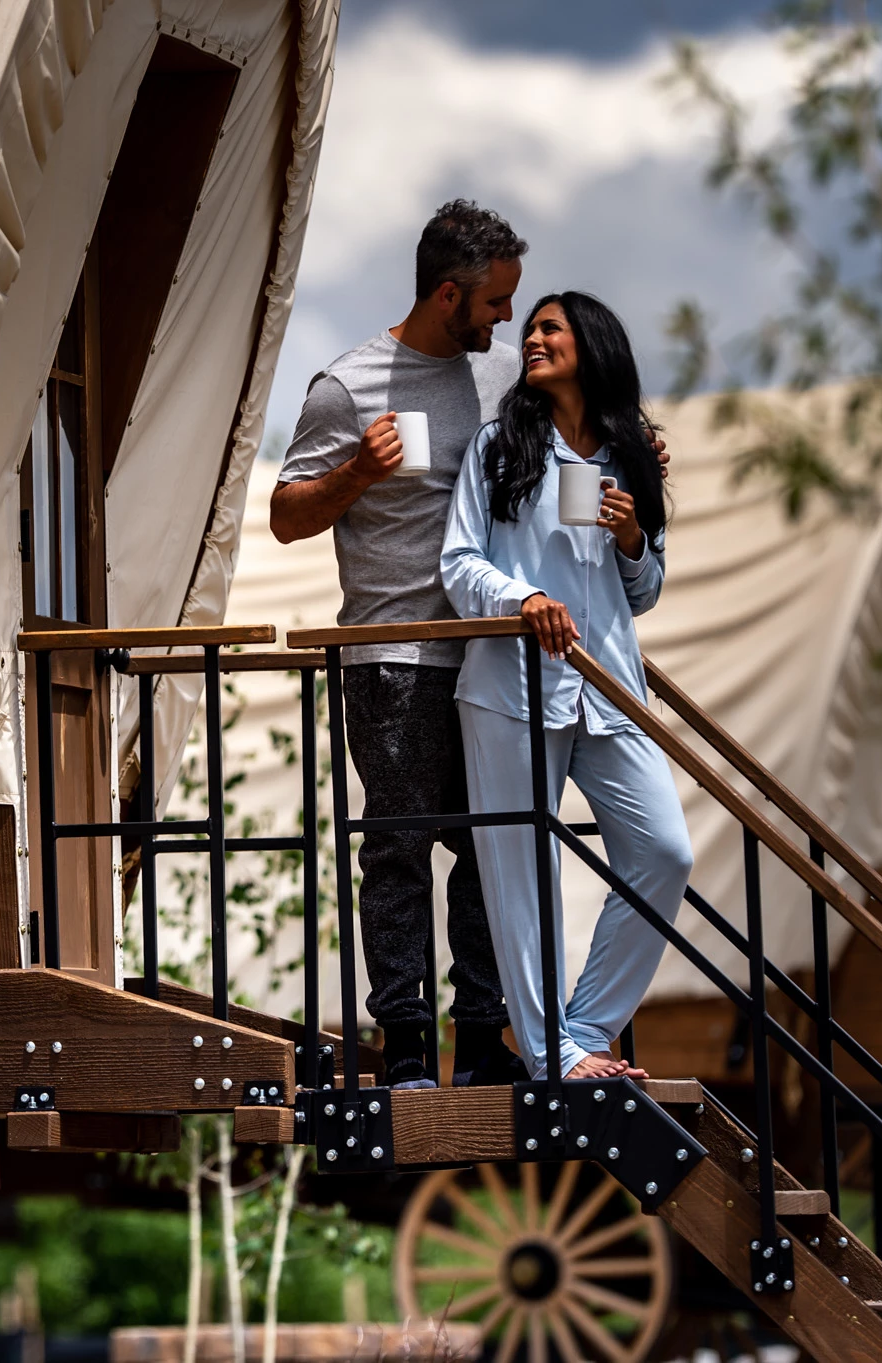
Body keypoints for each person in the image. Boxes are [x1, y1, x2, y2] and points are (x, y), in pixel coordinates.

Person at [271, 200, 531, 1089]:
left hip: (487, 653)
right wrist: (359, 473)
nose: (505, 322)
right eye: (494, 304)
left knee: (493, 842)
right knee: (399, 849)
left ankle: (483, 1036)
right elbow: (284, 517)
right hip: (393, 659)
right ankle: (409, 1045)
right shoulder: (349, 386)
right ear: (449, 293)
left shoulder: (501, 383)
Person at [439, 291, 692, 1082]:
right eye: (532, 328)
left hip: (609, 684)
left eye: (551, 328)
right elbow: (458, 564)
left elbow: (641, 592)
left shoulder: (631, 459)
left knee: (663, 851)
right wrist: (525, 602)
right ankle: (554, 1054)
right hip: (512, 687)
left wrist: (631, 540)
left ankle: (584, 1028)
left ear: (593, 345)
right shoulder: (499, 449)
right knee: (523, 869)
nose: (533, 338)